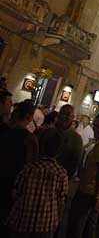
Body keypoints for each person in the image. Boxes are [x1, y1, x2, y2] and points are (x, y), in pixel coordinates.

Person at [7, 131, 68, 238]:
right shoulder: (61, 173)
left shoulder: (29, 168)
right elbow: (61, 201)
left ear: (42, 148)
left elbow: (16, 193)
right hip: (47, 222)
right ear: (59, 152)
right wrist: (58, 220)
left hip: (23, 219)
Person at [67, 113, 99, 238]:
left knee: (76, 224)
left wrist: (96, 194)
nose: (95, 129)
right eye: (94, 125)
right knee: (89, 226)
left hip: (88, 192)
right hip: (98, 192)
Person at [0, 101, 38, 236]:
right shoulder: (29, 138)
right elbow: (30, 166)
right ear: (29, 117)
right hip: (13, 184)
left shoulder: (3, 129)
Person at [38, 104, 82, 179]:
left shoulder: (76, 139)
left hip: (59, 179)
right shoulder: (47, 132)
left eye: (67, 114)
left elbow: (74, 163)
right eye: (62, 113)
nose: (64, 116)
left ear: (72, 118)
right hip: (40, 174)